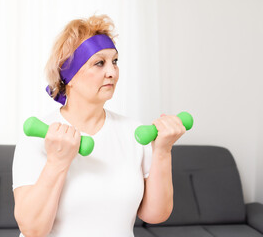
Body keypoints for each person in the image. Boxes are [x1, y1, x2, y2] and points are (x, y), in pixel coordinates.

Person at [12, 14, 186, 237]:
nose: (112, 72)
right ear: (70, 75)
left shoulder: (135, 133)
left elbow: (155, 214)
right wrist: (57, 162)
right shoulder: (38, 136)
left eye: (114, 61)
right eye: (99, 63)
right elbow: (33, 229)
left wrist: (162, 150)